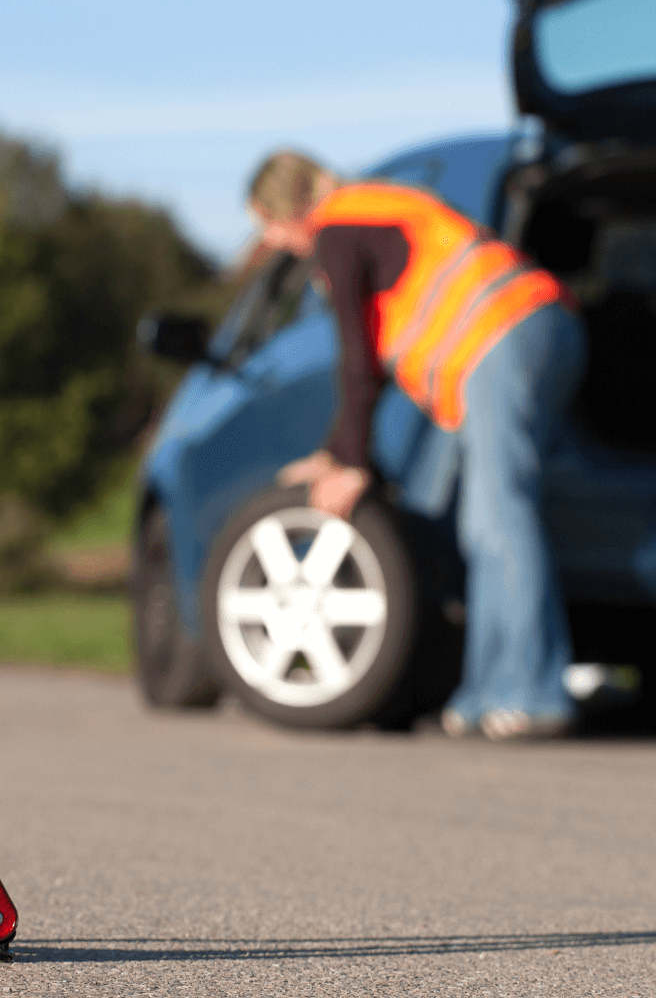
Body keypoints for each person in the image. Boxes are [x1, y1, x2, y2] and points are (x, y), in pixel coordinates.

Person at [246, 149, 586, 741]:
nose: (273, 241)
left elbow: (356, 358)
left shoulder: (338, 227)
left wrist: (351, 462)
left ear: (286, 208)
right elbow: (372, 365)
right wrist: (339, 453)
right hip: (534, 329)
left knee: (500, 514)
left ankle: (533, 692)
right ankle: (486, 695)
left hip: (503, 332)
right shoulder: (373, 211)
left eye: (267, 225)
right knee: (486, 519)